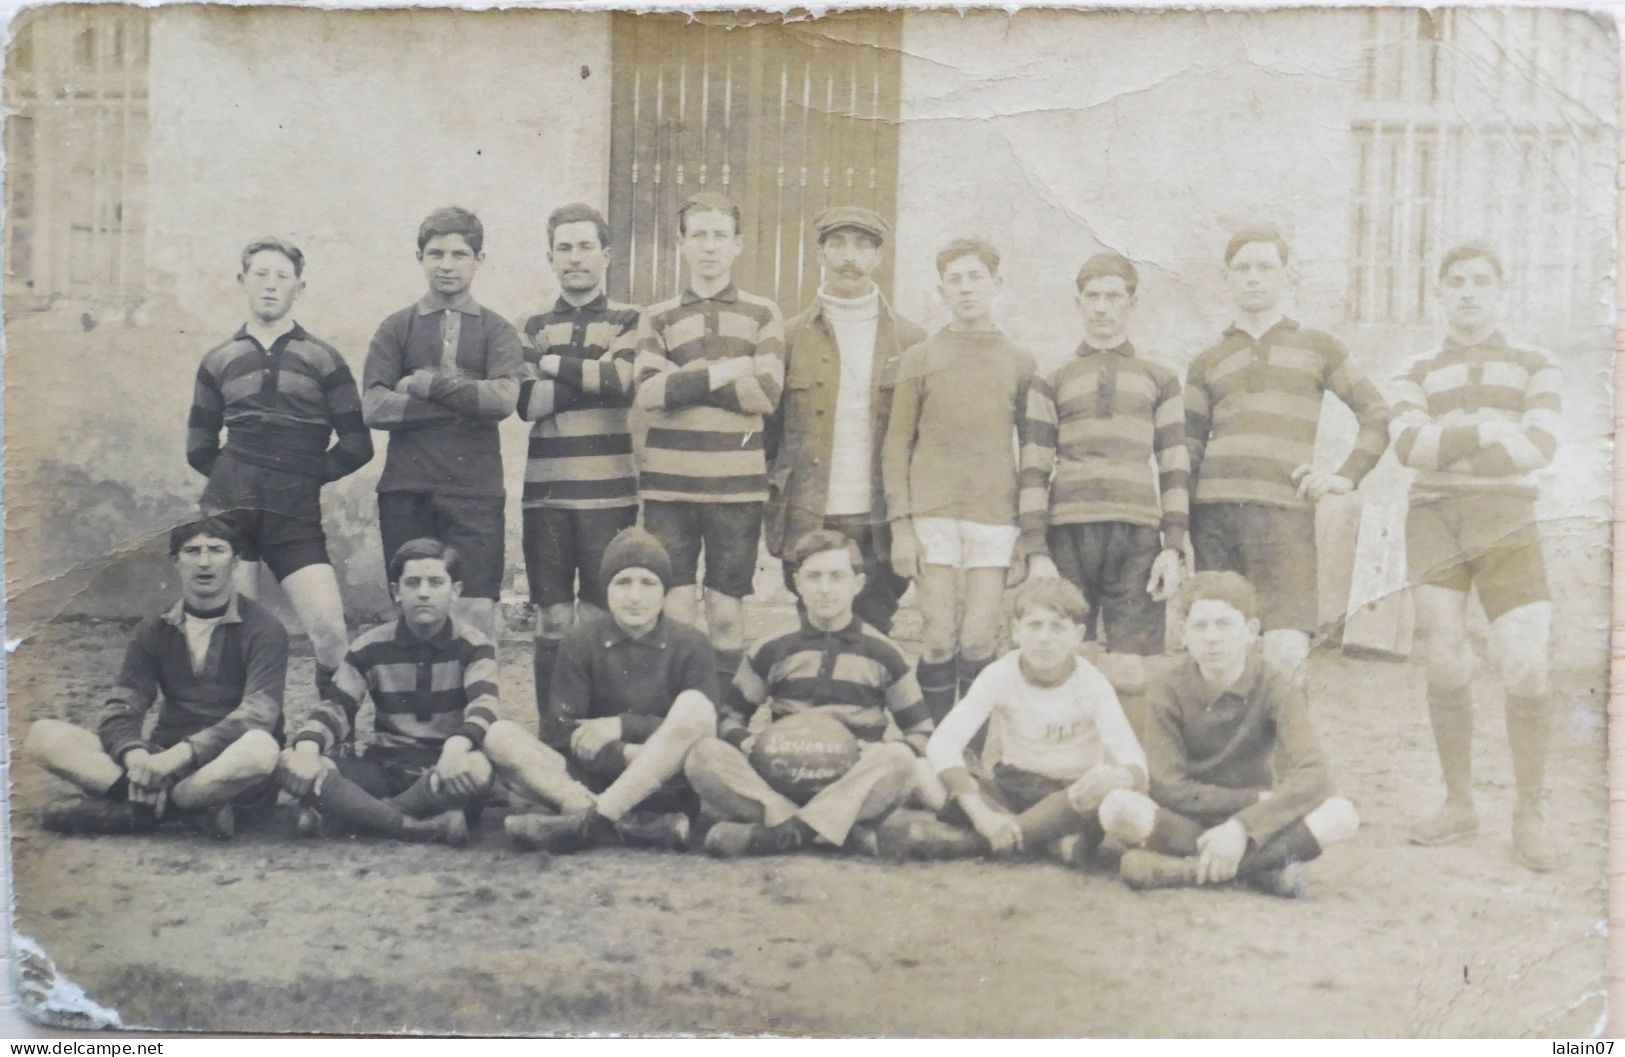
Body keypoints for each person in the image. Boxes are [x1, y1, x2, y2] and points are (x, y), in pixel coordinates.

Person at [1390, 242, 1561, 872]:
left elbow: (1540, 445)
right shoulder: (1414, 368)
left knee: (1527, 665)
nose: (1467, 291)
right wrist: (1491, 430)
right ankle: (1459, 804)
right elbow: (1408, 444)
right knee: (1444, 660)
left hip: (1508, 518)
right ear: (1439, 292)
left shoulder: (1536, 363)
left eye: (1480, 281)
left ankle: (1530, 812)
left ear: (1500, 290)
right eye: (1455, 281)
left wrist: (1452, 444)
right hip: (1435, 519)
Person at [1184, 226, 1391, 676]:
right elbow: (1188, 448)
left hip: (1283, 515)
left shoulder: (1318, 346)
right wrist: (1177, 526)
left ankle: (1287, 749)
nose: (1254, 278)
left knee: (1286, 652)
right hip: (1213, 517)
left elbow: (1376, 414)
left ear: (1287, 274)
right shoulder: (1207, 360)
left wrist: (1342, 477)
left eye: (1265, 267)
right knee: (1219, 655)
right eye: (1243, 268)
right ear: (1227, 277)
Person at [186, 237, 372, 703]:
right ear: (242, 282)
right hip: (231, 512)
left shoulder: (324, 359)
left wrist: (303, 476)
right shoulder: (218, 360)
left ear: (299, 286)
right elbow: (198, 446)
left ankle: (332, 728)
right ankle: (247, 733)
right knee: (232, 631)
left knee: (329, 629)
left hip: (294, 513)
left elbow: (357, 443)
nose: (270, 286)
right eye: (261, 275)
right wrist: (238, 476)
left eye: (282, 277)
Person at [1098, 572, 1360, 897]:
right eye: (1200, 626)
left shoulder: (1275, 685)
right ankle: (1265, 869)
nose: (1211, 638)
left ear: (1250, 632)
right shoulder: (1166, 688)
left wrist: (1242, 827)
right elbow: (1167, 786)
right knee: (1118, 808)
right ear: (1184, 634)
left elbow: (1314, 775)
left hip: (1257, 822)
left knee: (1342, 814)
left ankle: (1188, 871)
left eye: (1224, 625)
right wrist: (1249, 803)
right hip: (1188, 819)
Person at [25, 517, 286, 838]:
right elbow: (122, 705)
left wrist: (177, 758)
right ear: (176, 562)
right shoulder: (154, 629)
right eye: (192, 551)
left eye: (216, 550)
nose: (204, 562)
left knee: (261, 748)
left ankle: (141, 810)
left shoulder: (264, 629)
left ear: (234, 562)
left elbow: (256, 717)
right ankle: (178, 811)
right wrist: (137, 758)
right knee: (42, 736)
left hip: (223, 769)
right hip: (159, 759)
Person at [880, 237, 1052, 720]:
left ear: (996, 284)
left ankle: (968, 759)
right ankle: (931, 751)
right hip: (932, 515)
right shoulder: (920, 357)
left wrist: (1027, 533)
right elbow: (896, 444)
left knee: (978, 639)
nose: (966, 288)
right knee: (937, 638)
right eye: (954, 280)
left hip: (994, 517)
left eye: (975, 277)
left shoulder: (1021, 361)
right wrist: (901, 526)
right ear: (941, 291)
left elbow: (1035, 452)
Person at [684, 530, 929, 857]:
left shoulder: (885, 653)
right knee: (703, 753)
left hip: (851, 784)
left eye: (836, 577)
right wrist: (746, 741)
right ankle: (827, 831)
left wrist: (874, 751)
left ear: (857, 584)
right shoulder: (772, 648)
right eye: (814, 577)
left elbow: (921, 733)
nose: (825, 588)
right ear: (797, 582)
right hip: (778, 781)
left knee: (900, 761)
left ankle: (785, 834)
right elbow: (729, 718)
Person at [632, 191, 785, 690]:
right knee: (675, 611)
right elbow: (651, 393)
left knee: (724, 614)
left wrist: (688, 379)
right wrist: (729, 369)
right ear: (681, 244)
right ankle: (675, 717)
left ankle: (717, 722)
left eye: (720, 236)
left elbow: (766, 395)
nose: (710, 247)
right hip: (668, 489)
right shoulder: (657, 316)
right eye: (699, 235)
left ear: (738, 245)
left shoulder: (764, 313)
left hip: (737, 489)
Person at [1029, 252, 1189, 722]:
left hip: (1136, 530)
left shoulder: (1160, 377)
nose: (1102, 308)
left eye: (1113, 297)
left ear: (1131, 303)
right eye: (1092, 297)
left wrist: (1173, 547)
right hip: (1068, 530)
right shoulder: (1051, 377)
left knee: (1130, 667)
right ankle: (1063, 766)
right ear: (1078, 303)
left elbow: (1175, 466)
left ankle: (1125, 768)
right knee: (1066, 655)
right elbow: (1034, 467)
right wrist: (1036, 549)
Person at [495, 527, 718, 854]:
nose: (635, 596)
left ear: (664, 592)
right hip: (587, 782)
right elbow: (559, 732)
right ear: (606, 590)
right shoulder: (580, 640)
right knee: (500, 735)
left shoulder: (692, 644)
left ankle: (590, 822)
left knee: (696, 707)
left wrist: (622, 726)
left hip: (662, 787)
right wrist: (628, 753)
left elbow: (700, 731)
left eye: (648, 583)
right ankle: (629, 826)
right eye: (623, 582)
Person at [361, 206, 526, 642]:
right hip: (407, 488)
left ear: (479, 260)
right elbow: (375, 406)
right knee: (414, 610)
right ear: (420, 258)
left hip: (475, 488)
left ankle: (477, 708)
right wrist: (463, 400)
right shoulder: (396, 327)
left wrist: (427, 386)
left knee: (474, 611)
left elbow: (504, 399)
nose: (447, 265)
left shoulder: (497, 330)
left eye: (459, 254)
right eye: (436, 254)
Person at [276, 538, 499, 846]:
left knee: (478, 771)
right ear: (397, 592)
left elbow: (485, 706)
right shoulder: (369, 646)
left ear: (455, 591)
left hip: (444, 765)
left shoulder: (475, 645)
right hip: (385, 765)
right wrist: (306, 749)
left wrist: (456, 750)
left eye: (435, 583)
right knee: (300, 763)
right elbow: (336, 707)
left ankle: (364, 815)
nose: (423, 593)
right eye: (412, 583)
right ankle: (412, 825)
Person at [765, 205, 925, 634]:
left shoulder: (911, 341)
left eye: (862, 246)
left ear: (878, 258)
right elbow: (769, 433)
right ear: (821, 254)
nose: (849, 257)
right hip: (808, 516)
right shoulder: (790, 335)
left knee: (872, 638)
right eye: (837, 244)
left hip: (877, 522)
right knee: (812, 635)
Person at [913, 577, 1148, 864]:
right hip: (1014, 787)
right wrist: (980, 813)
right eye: (1034, 626)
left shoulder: (1092, 682)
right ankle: (1038, 839)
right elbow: (943, 743)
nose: (1044, 638)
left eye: (1057, 627)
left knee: (1104, 799)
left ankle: (995, 839)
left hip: (1070, 796)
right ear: (1016, 632)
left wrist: (1120, 775)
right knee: (922, 770)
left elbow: (1133, 757)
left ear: (1077, 635)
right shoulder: (1000, 674)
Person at [516, 203, 642, 725]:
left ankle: (594, 731)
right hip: (545, 494)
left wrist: (551, 366)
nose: (575, 258)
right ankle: (553, 731)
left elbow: (622, 385)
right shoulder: (531, 324)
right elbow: (528, 404)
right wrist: (592, 372)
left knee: (597, 618)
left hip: (609, 493)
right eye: (564, 248)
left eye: (585, 246)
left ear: (606, 256)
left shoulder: (630, 319)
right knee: (551, 619)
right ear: (550, 257)